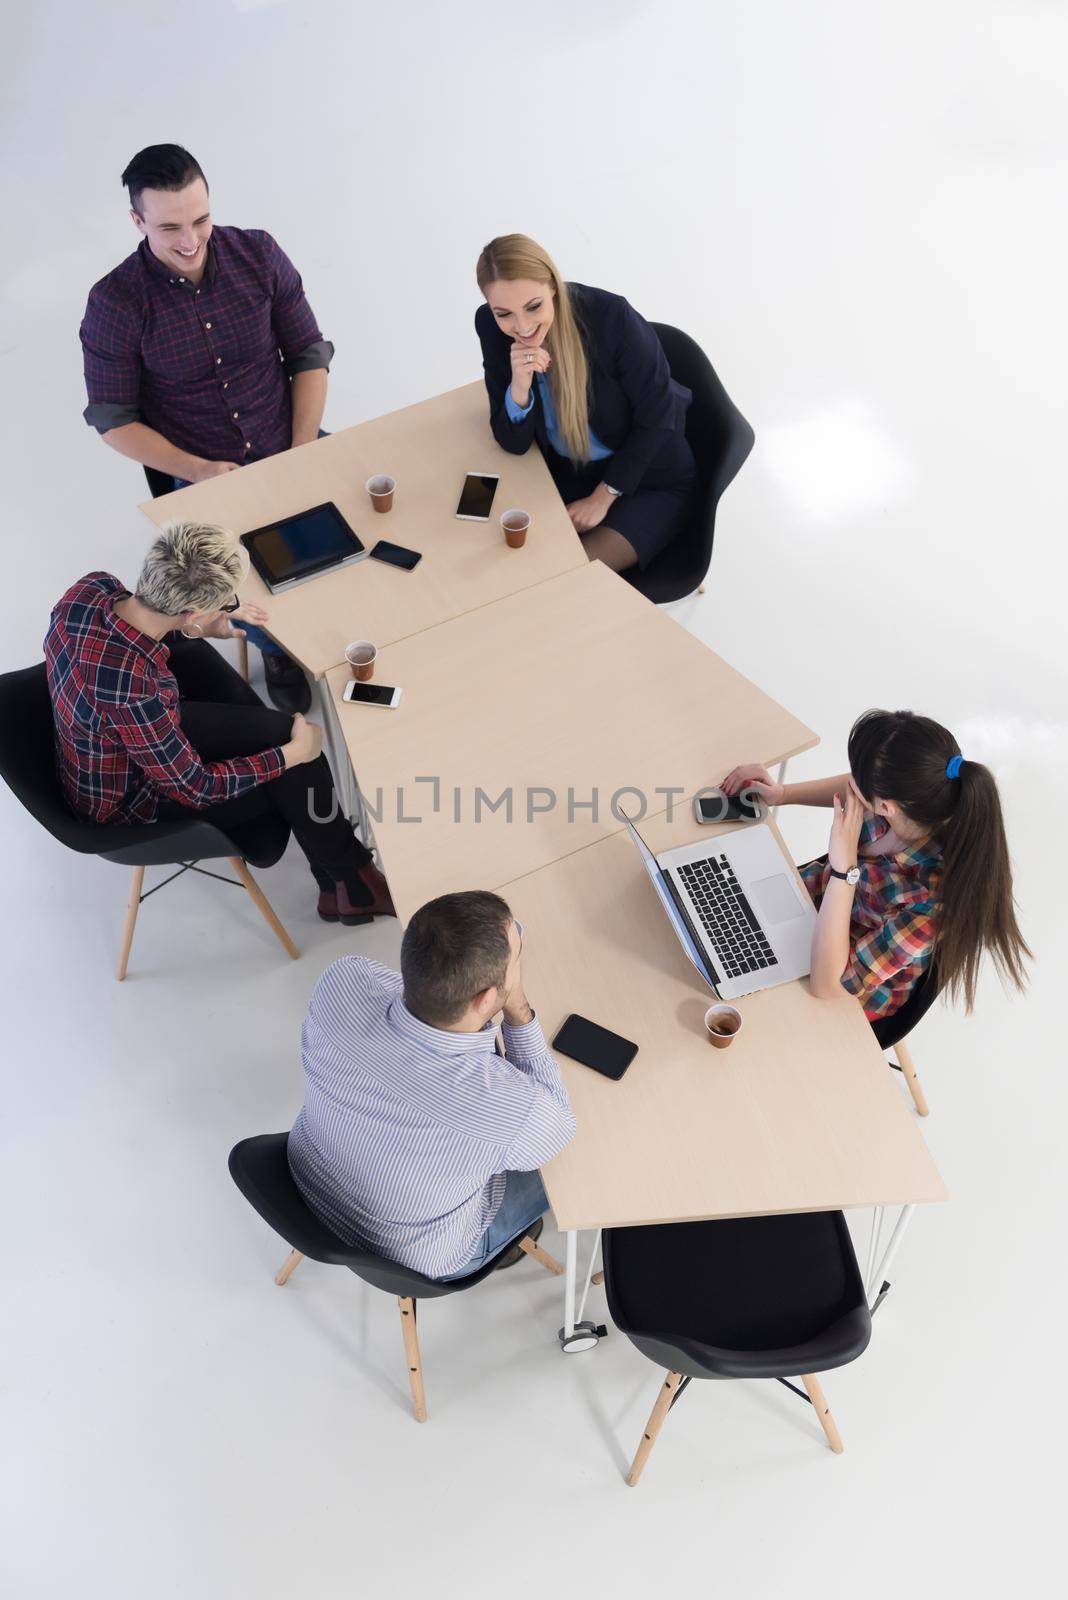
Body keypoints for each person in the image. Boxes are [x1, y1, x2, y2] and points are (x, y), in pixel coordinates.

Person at [79, 143, 333, 714]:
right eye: (169, 227)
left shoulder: (258, 253)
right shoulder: (114, 303)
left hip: (289, 435)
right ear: (136, 220)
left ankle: (346, 615)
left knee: (361, 520)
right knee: (243, 574)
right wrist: (199, 472)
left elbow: (308, 354)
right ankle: (277, 648)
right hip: (199, 470)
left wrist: (298, 453)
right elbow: (113, 423)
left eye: (200, 219)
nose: (190, 241)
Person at [44, 521, 394, 924]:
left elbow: (137, 634)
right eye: (226, 602)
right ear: (189, 611)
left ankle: (346, 885)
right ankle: (351, 885)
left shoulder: (90, 589)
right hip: (131, 798)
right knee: (296, 758)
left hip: (119, 736)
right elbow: (197, 787)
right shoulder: (134, 694)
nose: (230, 606)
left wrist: (208, 627)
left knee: (286, 738)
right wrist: (290, 756)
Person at [288, 891, 576, 1280]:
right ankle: (501, 1244)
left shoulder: (343, 981)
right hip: (417, 1256)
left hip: (306, 1181)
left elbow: (423, 1002)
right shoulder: (504, 1106)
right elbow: (558, 1126)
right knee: (575, 1166)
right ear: (486, 998)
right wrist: (517, 1007)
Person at [722, 709, 1030, 1021]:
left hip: (837, 987)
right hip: (807, 907)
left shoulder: (930, 903)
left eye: (862, 782)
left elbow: (829, 987)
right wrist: (782, 794)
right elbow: (852, 786)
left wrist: (844, 871)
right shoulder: (906, 804)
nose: (854, 785)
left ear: (885, 806)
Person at [474, 233, 697, 574]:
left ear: (552, 285)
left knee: (563, 576)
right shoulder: (491, 328)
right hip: (566, 474)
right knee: (492, 556)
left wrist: (603, 496)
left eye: (533, 306)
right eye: (504, 313)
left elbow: (658, 417)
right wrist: (520, 385)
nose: (522, 326)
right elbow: (512, 443)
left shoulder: (611, 318)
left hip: (645, 476)